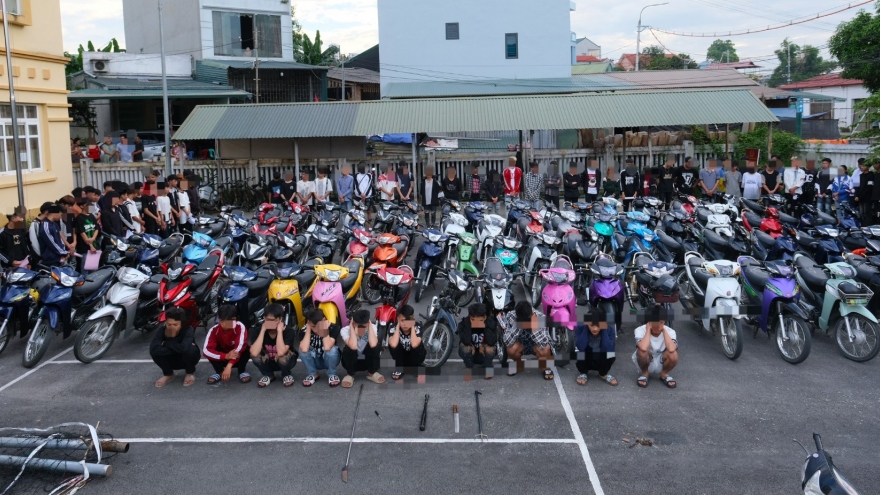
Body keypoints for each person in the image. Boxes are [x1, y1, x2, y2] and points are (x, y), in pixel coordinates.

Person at [502, 301, 554, 380]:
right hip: (521, 344)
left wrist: (534, 327)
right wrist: (518, 325)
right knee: (510, 349)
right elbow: (506, 341)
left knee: (545, 349)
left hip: (536, 345)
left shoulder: (541, 317)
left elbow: (544, 344)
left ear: (531, 314)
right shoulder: (511, 315)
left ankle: (545, 367)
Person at [249, 304, 297, 388]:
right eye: (267, 320)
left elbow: (281, 352)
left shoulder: (289, 331)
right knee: (255, 356)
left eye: (273, 320)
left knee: (282, 357)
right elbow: (254, 353)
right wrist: (263, 330)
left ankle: (286, 374)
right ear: (264, 318)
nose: (270, 323)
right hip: (268, 360)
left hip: (285, 361)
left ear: (280, 319)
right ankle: (268, 374)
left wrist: (279, 331)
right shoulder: (257, 330)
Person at [150, 307, 199, 387]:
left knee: (190, 350)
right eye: (169, 324)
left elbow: (185, 349)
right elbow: (153, 349)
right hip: (170, 359)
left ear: (182, 323)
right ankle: (168, 374)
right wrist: (178, 348)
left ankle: (190, 373)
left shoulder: (188, 329)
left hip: (186, 359)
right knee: (155, 353)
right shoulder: (162, 330)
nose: (172, 327)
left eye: (175, 324)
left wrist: (165, 343)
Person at [203, 304, 251, 385]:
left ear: (235, 319)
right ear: (219, 319)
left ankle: (241, 371)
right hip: (223, 357)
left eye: (230, 321)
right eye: (223, 321)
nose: (225, 325)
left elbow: (239, 348)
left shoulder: (240, 326)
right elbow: (206, 351)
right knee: (211, 350)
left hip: (237, 357)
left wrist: (229, 366)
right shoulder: (213, 330)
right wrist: (225, 356)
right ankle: (220, 371)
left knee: (246, 348)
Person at [633, 307, 679, 389]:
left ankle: (664, 374)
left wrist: (664, 331)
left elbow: (672, 349)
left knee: (673, 354)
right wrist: (648, 330)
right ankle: (645, 373)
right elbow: (643, 348)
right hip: (645, 358)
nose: (658, 326)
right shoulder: (640, 330)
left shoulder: (670, 331)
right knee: (642, 351)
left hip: (662, 358)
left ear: (664, 322)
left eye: (661, 322)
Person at [340, 309, 385, 388]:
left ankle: (371, 373)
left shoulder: (372, 327)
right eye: (358, 327)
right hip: (353, 362)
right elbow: (353, 346)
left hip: (367, 361)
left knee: (376, 346)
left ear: (368, 323)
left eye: (363, 327)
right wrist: (351, 327)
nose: (361, 330)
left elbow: (373, 344)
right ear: (353, 323)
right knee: (348, 348)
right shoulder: (345, 330)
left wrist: (369, 326)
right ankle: (350, 375)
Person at [298, 307, 342, 387]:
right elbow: (304, 350)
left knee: (332, 350)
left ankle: (332, 374)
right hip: (315, 360)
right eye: (313, 326)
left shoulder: (333, 327)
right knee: (301, 349)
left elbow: (328, 347)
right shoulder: (304, 330)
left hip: (329, 359)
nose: (316, 330)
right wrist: (308, 329)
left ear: (324, 320)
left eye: (318, 326)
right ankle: (312, 373)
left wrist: (324, 330)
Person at [574, 307, 618, 386]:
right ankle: (583, 372)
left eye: (598, 325)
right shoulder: (580, 327)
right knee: (578, 352)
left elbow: (608, 348)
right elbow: (580, 346)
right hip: (586, 357)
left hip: (601, 358)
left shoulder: (610, 330)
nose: (595, 329)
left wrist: (604, 329)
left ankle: (603, 374)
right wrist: (586, 328)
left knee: (611, 354)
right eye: (592, 325)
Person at [457, 303, 498, 379]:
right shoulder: (463, 324)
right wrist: (469, 324)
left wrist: (485, 325)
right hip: (471, 353)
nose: (477, 323)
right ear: (470, 317)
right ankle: (469, 367)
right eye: (473, 319)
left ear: (485, 317)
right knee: (464, 347)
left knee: (490, 348)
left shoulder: (491, 323)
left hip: (484, 353)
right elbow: (465, 340)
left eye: (480, 320)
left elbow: (492, 341)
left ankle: (488, 368)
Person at [387, 305, 425, 380]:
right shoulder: (393, 327)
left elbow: (414, 344)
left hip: (415, 357)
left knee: (417, 345)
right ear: (398, 319)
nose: (405, 324)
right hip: (401, 358)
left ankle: (416, 367)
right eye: (402, 321)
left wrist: (412, 326)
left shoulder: (418, 327)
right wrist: (397, 327)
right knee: (392, 342)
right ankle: (400, 368)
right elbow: (393, 345)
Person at [73, 197, 99, 268]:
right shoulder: (79, 218)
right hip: (84, 248)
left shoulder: (92, 216)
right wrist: (91, 246)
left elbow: (96, 229)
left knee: (94, 267)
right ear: (81, 206)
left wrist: (93, 238)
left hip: (95, 245)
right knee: (86, 268)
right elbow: (82, 233)